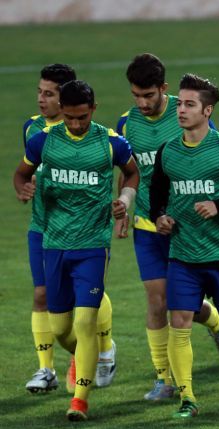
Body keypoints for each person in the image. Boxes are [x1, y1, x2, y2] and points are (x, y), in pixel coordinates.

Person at [13, 80, 139, 420]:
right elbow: (21, 174)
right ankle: (97, 352)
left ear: (93, 109)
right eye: (69, 118)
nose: (76, 124)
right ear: (62, 112)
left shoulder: (111, 142)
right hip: (54, 244)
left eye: (82, 117)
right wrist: (23, 189)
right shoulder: (43, 141)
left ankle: (80, 401)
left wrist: (124, 200)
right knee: (60, 329)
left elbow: (132, 174)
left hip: (93, 245)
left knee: (84, 322)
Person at [118, 53, 219, 401]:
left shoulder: (187, 113)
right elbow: (129, 170)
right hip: (147, 223)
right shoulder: (127, 124)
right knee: (157, 300)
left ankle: (217, 325)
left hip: (185, 227)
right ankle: (164, 379)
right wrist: (124, 206)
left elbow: (211, 159)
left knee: (181, 302)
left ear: (164, 88)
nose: (142, 103)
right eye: (136, 95)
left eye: (148, 95)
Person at [148, 74, 219, 419]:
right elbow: (156, 196)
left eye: (189, 104)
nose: (181, 110)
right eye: (179, 104)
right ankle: (188, 398)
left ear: (207, 110)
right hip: (182, 255)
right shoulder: (168, 151)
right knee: (179, 321)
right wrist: (160, 217)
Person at [22, 64, 118, 394]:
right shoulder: (33, 130)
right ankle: (46, 369)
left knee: (86, 300)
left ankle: (102, 348)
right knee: (41, 295)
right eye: (40, 92)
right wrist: (24, 187)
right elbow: (26, 173)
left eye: (49, 94)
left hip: (85, 233)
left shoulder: (99, 139)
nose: (41, 99)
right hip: (43, 227)